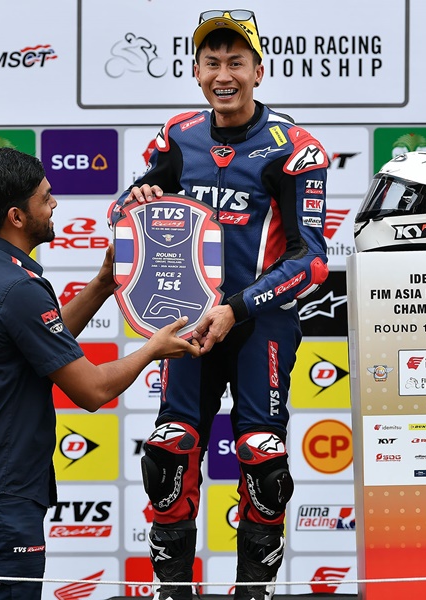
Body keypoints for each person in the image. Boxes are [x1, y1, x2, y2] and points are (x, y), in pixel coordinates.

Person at [109, 10, 330, 600]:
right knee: (170, 451)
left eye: (236, 62)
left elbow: (311, 259)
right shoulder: (178, 136)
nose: (224, 75)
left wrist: (236, 307)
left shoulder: (295, 149)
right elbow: (125, 216)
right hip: (187, 320)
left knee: (262, 459)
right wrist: (135, 202)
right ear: (196, 72)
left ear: (259, 71)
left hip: (259, 323)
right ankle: (173, 591)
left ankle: (253, 592)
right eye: (212, 63)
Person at [0, 147, 200, 600]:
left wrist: (101, 284)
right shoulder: (16, 287)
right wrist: (152, 350)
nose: (54, 203)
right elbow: (92, 391)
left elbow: (37, 343)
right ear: (17, 217)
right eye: (45, 197)